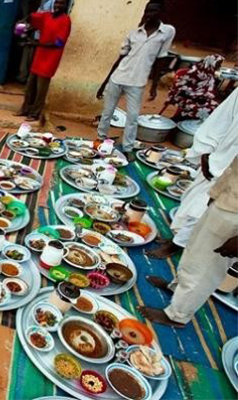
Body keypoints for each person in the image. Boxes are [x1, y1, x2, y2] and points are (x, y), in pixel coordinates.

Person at [138, 156, 238, 328]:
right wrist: (216, 192)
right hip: (226, 201)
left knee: (206, 268)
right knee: (193, 252)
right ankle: (176, 288)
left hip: (233, 219)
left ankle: (177, 316)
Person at [146, 89, 238, 259]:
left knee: (200, 209)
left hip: (232, 173)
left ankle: (176, 245)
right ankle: (176, 239)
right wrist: (205, 150)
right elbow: (221, 119)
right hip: (218, 156)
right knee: (192, 200)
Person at [96, 1, 175, 159]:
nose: (149, 14)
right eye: (147, 11)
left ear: (160, 12)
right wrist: (104, 83)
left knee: (132, 117)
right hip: (118, 78)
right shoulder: (134, 33)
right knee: (107, 113)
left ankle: (128, 147)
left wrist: (154, 86)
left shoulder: (167, 32)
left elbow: (161, 59)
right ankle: (100, 139)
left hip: (137, 82)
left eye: (153, 11)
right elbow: (120, 59)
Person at [14, 0, 71, 122]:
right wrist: (23, 22)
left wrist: (36, 43)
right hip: (39, 57)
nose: (57, 6)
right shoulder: (47, 16)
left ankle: (35, 113)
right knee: (30, 86)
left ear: (65, 6)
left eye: (61, 4)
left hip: (50, 60)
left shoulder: (65, 21)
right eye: (56, 3)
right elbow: (33, 17)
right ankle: (25, 109)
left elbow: (59, 43)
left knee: (41, 90)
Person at [164, 54, 225, 121]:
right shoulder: (192, 73)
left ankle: (188, 122)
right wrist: (197, 96)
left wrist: (203, 96)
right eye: (218, 64)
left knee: (217, 108)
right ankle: (179, 120)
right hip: (182, 97)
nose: (219, 66)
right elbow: (180, 89)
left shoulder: (209, 75)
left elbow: (208, 91)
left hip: (198, 99)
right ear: (211, 63)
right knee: (203, 110)